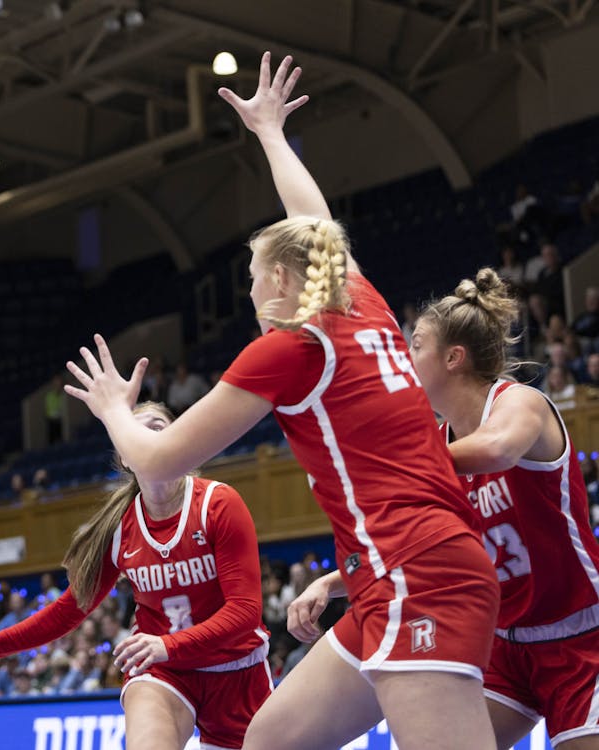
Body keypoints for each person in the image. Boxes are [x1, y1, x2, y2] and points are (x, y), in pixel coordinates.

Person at [63, 52, 499, 750]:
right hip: (390, 576)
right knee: (271, 740)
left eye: (254, 278)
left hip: (417, 573)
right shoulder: (362, 304)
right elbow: (315, 218)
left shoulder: (291, 348)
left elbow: (158, 456)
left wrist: (115, 405)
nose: (250, 295)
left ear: (286, 282)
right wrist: (268, 132)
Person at [289, 269, 599, 749]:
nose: (403, 358)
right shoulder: (436, 443)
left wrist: (393, 461)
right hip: (504, 648)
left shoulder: (520, 403)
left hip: (582, 639)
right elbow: (414, 543)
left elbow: (497, 449)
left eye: (415, 345)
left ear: (454, 358)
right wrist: (331, 583)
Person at [0, 402, 271, 750]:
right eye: (135, 431)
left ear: (180, 440)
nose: (147, 435)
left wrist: (167, 644)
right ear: (125, 457)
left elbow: (245, 612)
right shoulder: (119, 529)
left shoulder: (218, 504)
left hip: (235, 669)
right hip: (161, 670)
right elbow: (67, 611)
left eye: (158, 426)